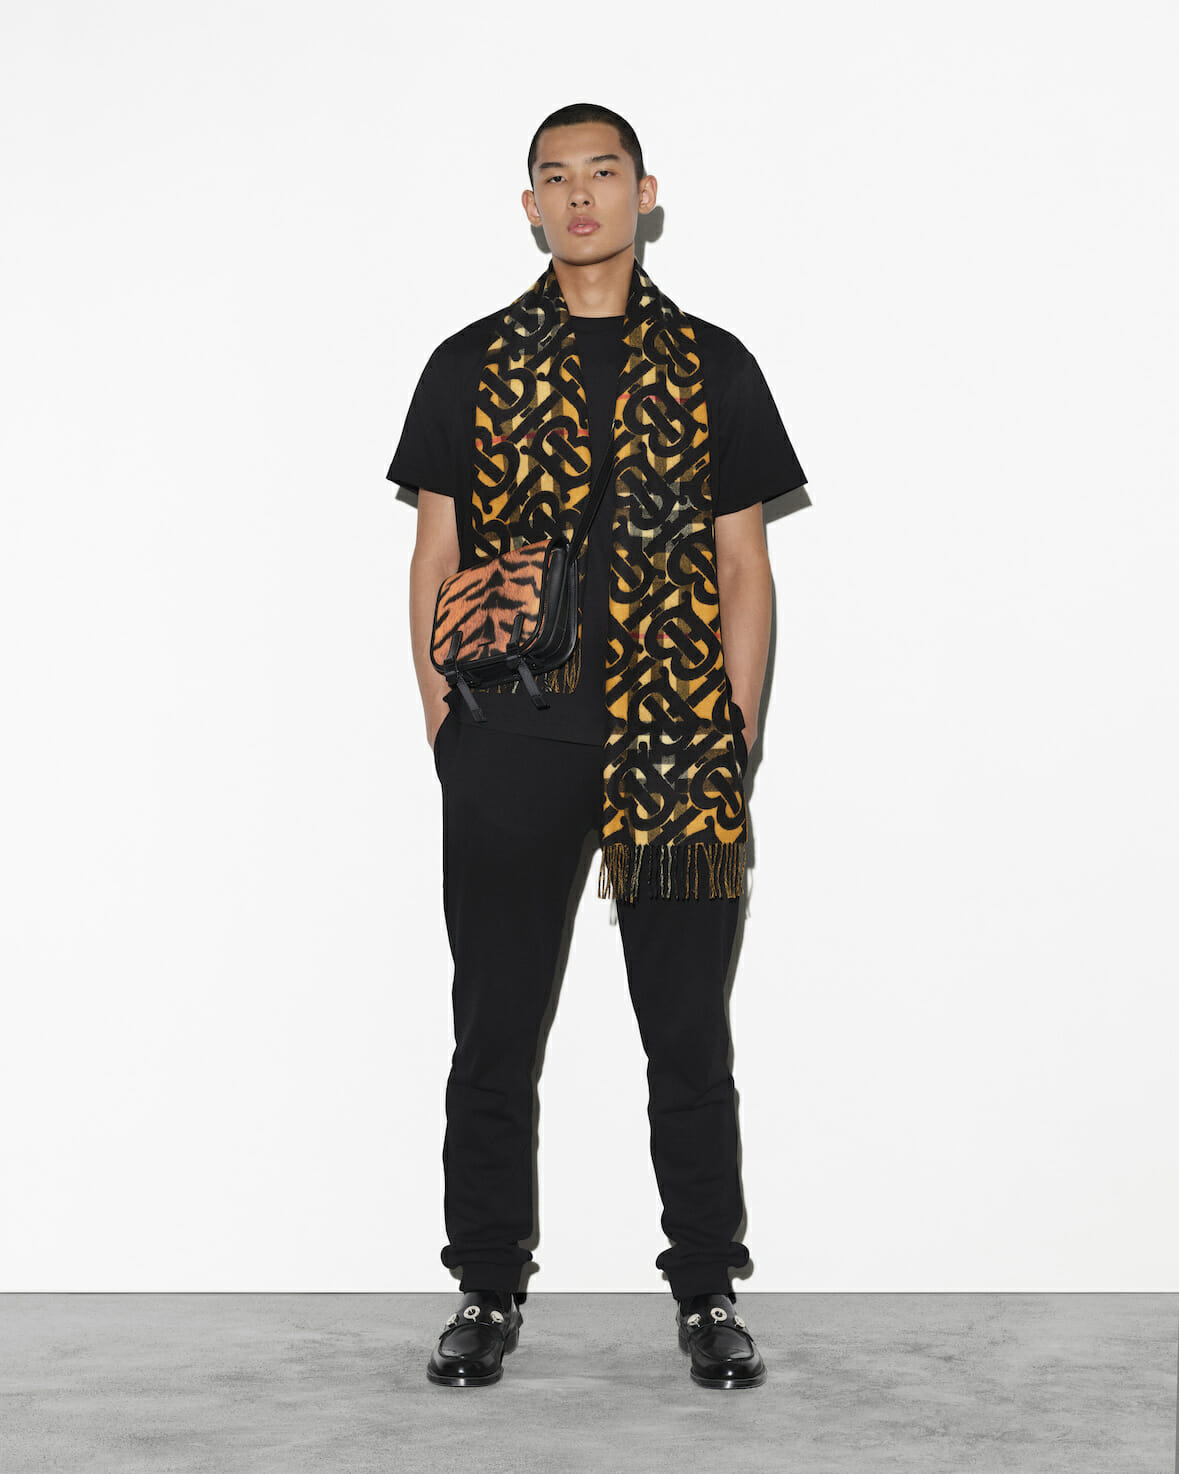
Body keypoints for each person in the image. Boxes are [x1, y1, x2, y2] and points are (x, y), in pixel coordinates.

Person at [386, 102, 809, 1390]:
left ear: (644, 193)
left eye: (603, 173)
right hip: (510, 736)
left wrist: (735, 730)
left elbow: (746, 566)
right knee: (494, 1032)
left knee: (688, 1036)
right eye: (556, 178)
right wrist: (450, 731)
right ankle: (486, 1286)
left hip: (679, 745)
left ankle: (707, 1290)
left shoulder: (713, 364)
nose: (581, 196)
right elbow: (435, 554)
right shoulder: (469, 364)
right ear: (531, 206)